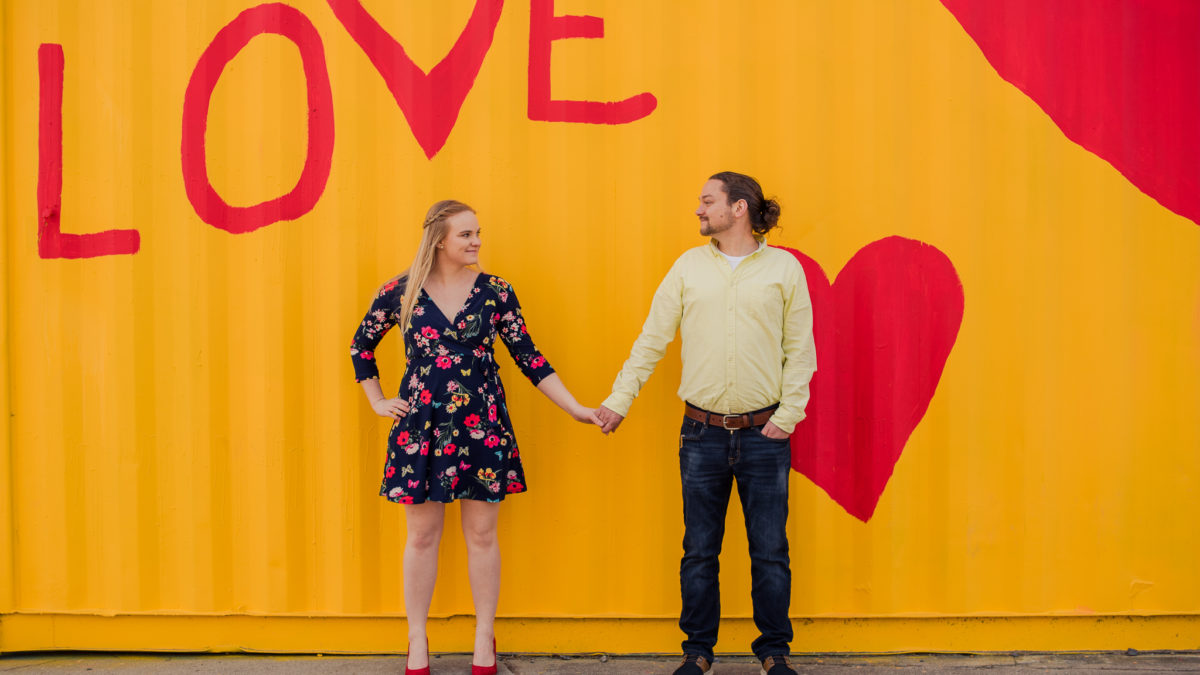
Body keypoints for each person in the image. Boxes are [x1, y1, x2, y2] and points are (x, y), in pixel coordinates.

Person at [350, 200, 600, 675]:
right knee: (422, 536)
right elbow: (361, 345)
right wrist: (377, 400)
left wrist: (576, 409)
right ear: (440, 239)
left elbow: (530, 358)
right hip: (421, 430)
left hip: (482, 428)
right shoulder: (400, 291)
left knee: (482, 535)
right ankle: (417, 639)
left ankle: (484, 638)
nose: (477, 241)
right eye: (466, 234)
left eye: (477, 232)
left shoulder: (496, 292)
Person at [595, 172, 816, 675]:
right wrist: (620, 400)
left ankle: (774, 652)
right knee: (698, 550)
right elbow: (652, 340)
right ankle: (697, 653)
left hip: (765, 436)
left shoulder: (784, 269)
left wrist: (787, 418)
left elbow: (800, 351)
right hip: (701, 434)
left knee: (770, 553)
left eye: (707, 201)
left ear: (739, 208)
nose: (698, 209)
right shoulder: (688, 268)